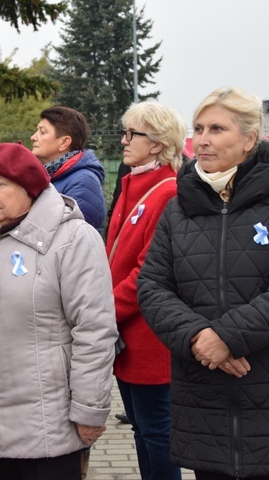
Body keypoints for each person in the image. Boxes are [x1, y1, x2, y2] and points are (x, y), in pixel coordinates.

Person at [137, 87, 269, 479]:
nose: (202, 139)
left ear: (250, 139)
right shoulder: (178, 208)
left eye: (217, 128)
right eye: (198, 128)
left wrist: (228, 336)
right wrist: (199, 337)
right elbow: (152, 286)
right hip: (204, 399)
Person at [0, 142, 117, 480]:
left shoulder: (73, 239)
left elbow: (94, 330)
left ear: (30, 189)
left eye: (1, 184)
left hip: (51, 424)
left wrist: (89, 409)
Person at [106, 101, 185, 480]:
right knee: (141, 429)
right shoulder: (133, 183)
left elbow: (147, 273)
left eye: (131, 134)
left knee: (157, 434)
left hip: (149, 336)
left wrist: (102, 309)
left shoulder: (167, 191)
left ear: (156, 143)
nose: (124, 140)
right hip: (125, 333)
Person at [30, 106, 107, 233]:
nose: (33, 137)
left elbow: (69, 236)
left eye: (42, 132)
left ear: (64, 142)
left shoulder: (84, 181)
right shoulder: (50, 174)